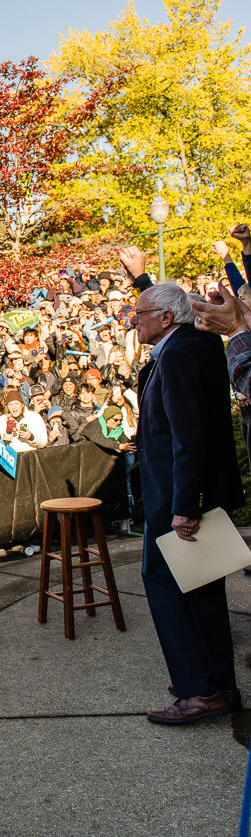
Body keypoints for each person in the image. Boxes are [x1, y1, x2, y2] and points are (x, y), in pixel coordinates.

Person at [131, 280, 243, 724]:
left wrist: (185, 506)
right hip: (187, 493)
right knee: (202, 589)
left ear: (165, 319)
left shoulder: (178, 354)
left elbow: (188, 437)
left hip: (176, 499)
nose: (132, 320)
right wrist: (144, 281)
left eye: (139, 312)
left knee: (169, 587)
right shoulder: (193, 345)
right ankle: (219, 686)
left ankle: (199, 691)